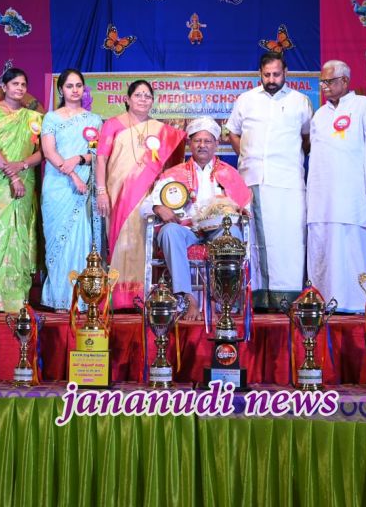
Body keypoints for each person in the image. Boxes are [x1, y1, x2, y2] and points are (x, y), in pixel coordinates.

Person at [226, 52, 313, 309]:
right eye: (267, 75)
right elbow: (233, 132)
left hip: (289, 180)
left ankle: (288, 297)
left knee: (290, 237)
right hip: (254, 178)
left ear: (286, 72)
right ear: (259, 74)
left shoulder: (300, 101)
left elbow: (307, 137)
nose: (272, 79)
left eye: (276, 74)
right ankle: (259, 297)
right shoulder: (246, 100)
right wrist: (246, 157)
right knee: (256, 240)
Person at [142, 116, 251, 320]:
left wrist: (239, 210)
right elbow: (145, 207)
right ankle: (188, 298)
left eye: (207, 141)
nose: (202, 145)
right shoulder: (174, 174)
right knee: (169, 231)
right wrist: (158, 207)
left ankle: (218, 301)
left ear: (216, 144)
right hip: (186, 231)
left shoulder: (230, 174)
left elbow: (246, 206)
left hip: (219, 231)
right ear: (189, 144)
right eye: (197, 140)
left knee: (234, 234)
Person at [95, 80, 185, 308]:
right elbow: (101, 159)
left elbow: (170, 167)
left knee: (143, 240)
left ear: (152, 101)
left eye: (147, 96)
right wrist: (101, 191)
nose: (143, 99)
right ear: (127, 99)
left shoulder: (159, 129)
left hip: (149, 195)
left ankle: (142, 294)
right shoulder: (113, 124)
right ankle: (119, 296)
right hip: (118, 194)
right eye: (138, 95)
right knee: (121, 240)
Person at [306, 60, 366, 313]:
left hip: (353, 193)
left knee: (350, 247)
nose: (324, 86)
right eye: (322, 82)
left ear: (345, 81)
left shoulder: (364, 106)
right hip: (321, 195)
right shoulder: (320, 114)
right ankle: (323, 300)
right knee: (322, 247)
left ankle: (355, 303)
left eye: (329, 81)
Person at [0, 66, 43, 313]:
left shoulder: (34, 118)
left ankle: (16, 297)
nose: (19, 88)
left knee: (19, 233)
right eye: (14, 84)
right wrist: (12, 176)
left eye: (23, 85)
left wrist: (21, 166)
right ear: (4, 87)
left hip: (25, 177)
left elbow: (41, 153)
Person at [41, 69, 103, 312]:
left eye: (79, 86)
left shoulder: (94, 120)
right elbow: (49, 152)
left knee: (83, 239)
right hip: (58, 186)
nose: (75, 90)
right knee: (58, 240)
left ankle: (84, 299)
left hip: (85, 186)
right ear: (61, 90)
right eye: (69, 86)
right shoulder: (51, 118)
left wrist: (79, 158)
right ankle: (60, 298)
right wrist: (73, 175)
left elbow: (97, 154)